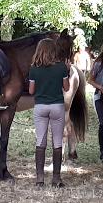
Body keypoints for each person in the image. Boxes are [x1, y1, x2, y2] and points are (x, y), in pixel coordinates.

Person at [28, 38, 70, 188]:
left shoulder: (34, 68)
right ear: (54, 50)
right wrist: (68, 71)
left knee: (41, 141)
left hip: (40, 106)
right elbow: (66, 88)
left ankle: (40, 179)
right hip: (57, 106)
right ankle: (56, 178)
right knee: (57, 141)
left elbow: (31, 91)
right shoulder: (61, 68)